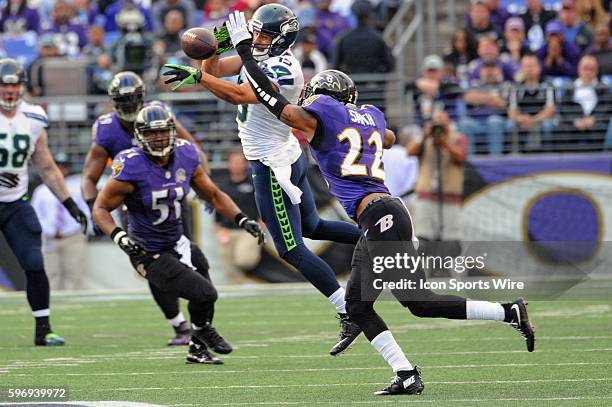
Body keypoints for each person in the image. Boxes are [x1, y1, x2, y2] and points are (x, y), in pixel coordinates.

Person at [225, 15, 536, 393]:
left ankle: (480, 328)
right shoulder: (370, 116)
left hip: (379, 216)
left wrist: (243, 51)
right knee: (391, 304)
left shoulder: (324, 114)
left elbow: (274, 102)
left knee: (392, 304)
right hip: (386, 214)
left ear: (324, 100)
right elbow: (387, 137)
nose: (308, 104)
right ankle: (427, 361)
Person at [162, 4, 364, 355]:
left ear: (282, 39)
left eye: (265, 34)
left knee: (290, 248)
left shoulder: (285, 67)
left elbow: (238, 94)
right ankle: (381, 236)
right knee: (313, 226)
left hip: (271, 162)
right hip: (285, 153)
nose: (257, 39)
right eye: (255, 32)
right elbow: (219, 71)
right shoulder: (257, 53)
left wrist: (198, 75)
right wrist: (213, 49)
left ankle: (347, 310)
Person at [93, 104, 263, 364]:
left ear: (173, 132)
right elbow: (101, 207)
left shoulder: (185, 154)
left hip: (178, 242)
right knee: (205, 293)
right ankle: (205, 332)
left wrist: (241, 218)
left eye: (163, 132)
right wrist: (120, 236)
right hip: (147, 251)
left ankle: (196, 348)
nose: (159, 138)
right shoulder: (131, 165)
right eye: (151, 134)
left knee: (204, 292)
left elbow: (214, 194)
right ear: (140, 136)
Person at [81, 71, 210, 346]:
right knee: (153, 262)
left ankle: (200, 325)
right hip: (136, 203)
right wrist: (95, 208)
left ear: (142, 98)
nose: (128, 106)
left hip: (169, 198)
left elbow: (193, 151)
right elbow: (89, 178)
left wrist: (204, 188)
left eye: (133, 100)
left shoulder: (160, 114)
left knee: (189, 260)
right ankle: (179, 324)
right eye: (123, 101)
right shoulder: (107, 128)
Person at [0, 58, 87, 346]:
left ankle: (43, 327)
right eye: (4, 85)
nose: (9, 92)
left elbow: (47, 167)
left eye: (14, 86)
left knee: (34, 262)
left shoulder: (34, 117)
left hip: (14, 203)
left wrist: (69, 204)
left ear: (22, 87)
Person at [407, 111, 467, 261]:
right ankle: (424, 272)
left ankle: (445, 270)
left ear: (448, 123)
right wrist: (424, 135)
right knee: (422, 235)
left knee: (451, 238)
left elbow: (460, 156)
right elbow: (409, 151)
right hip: (426, 194)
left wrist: (444, 142)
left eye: (442, 122)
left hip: (449, 196)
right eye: (436, 122)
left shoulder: (458, 138)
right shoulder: (425, 140)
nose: (438, 126)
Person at [31, 153, 89, 290]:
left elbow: (85, 211)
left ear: (69, 168)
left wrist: (76, 228)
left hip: (73, 236)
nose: (62, 170)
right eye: (59, 166)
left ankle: (73, 305)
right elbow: (35, 214)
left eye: (65, 166)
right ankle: (52, 304)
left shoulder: (77, 187)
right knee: (51, 274)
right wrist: (48, 230)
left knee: (73, 273)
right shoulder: (42, 190)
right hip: (49, 237)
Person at [214, 149, 261, 284]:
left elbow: (262, 202)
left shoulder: (253, 183)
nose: (235, 165)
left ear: (245, 164)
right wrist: (217, 225)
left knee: (244, 259)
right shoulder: (223, 185)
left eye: (238, 162)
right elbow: (218, 205)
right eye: (233, 162)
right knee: (227, 262)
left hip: (248, 229)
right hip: (227, 229)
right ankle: (238, 287)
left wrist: (262, 220)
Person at [461, 59, 511, 154]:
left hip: (499, 122)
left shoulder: (505, 85)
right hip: (477, 123)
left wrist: (481, 99)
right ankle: (470, 163)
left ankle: (495, 159)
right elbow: (468, 98)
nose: (489, 71)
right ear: (481, 71)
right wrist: (492, 98)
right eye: (486, 68)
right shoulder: (475, 84)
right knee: (465, 123)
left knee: (494, 121)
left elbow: (503, 104)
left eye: (493, 68)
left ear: (499, 71)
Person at [508, 53, 557, 151]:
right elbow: (512, 110)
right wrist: (519, 118)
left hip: (542, 120)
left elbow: (550, 110)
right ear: (521, 68)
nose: (529, 69)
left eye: (532, 66)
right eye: (526, 66)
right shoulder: (516, 87)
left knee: (547, 125)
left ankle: (548, 154)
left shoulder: (547, 85)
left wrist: (533, 120)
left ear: (539, 67)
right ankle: (516, 155)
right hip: (523, 120)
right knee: (510, 125)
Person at [333, 0, 394, 74]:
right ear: (369, 15)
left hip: (352, 82)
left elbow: (335, 66)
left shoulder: (344, 38)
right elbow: (390, 64)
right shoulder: (378, 38)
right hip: (374, 83)